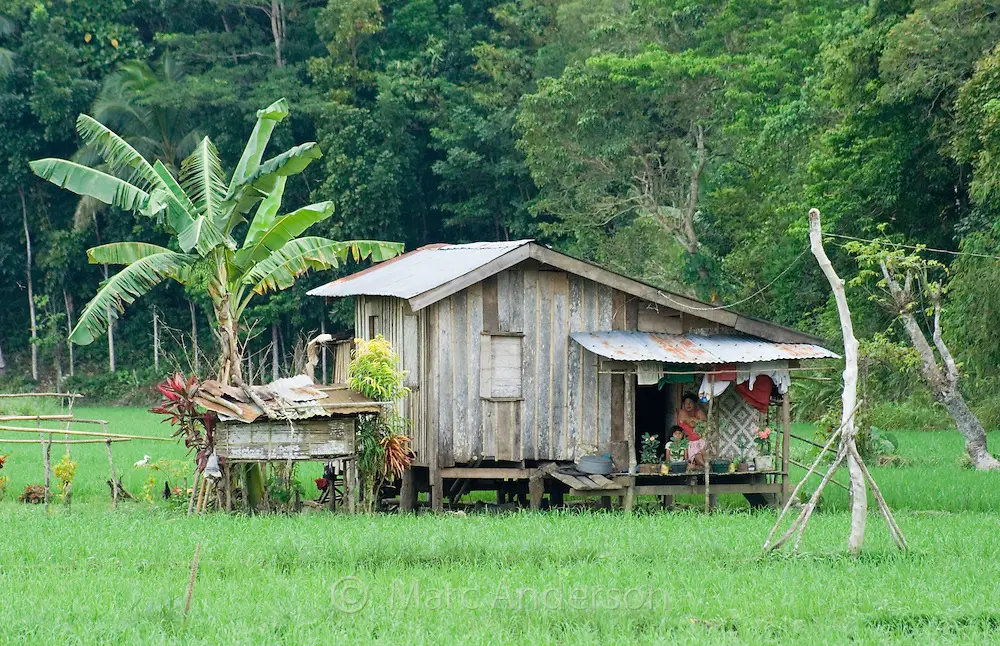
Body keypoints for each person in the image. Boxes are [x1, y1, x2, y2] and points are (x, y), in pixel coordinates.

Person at [676, 393, 707, 467]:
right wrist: (696, 420)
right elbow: (691, 423)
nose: (688, 405)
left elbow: (706, 424)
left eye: (690, 402)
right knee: (696, 456)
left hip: (700, 442)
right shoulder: (682, 412)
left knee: (703, 453)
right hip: (688, 443)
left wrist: (693, 421)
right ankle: (707, 468)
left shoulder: (699, 412)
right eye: (686, 403)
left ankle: (707, 468)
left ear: (695, 404)